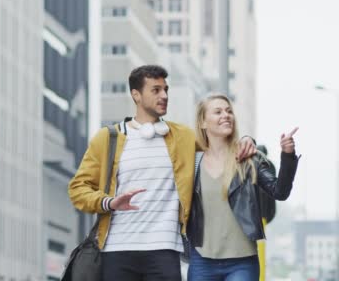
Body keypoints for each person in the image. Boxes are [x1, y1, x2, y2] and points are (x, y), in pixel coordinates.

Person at [68, 65, 257, 281]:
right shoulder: (108, 138)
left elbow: (218, 143)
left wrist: (247, 140)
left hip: (165, 250)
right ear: (136, 95)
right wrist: (109, 202)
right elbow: (77, 189)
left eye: (166, 89)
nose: (164, 95)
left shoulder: (182, 137)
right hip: (117, 250)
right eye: (156, 90)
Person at [186, 93, 300, 280]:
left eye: (229, 111)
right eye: (218, 112)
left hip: (242, 263)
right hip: (202, 260)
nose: (226, 115)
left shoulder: (249, 159)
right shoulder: (193, 162)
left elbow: (280, 191)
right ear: (203, 123)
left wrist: (288, 155)